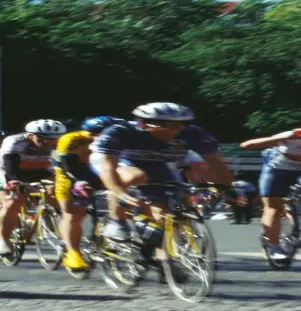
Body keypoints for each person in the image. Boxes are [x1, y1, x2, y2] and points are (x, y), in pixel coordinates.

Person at [90, 102, 233, 243]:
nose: (177, 130)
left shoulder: (194, 133)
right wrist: (119, 193)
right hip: (118, 160)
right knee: (136, 176)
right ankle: (116, 221)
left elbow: (217, 164)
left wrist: (228, 189)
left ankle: (157, 255)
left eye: (182, 124)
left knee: (162, 211)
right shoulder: (119, 132)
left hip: (157, 163)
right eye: (170, 126)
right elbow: (108, 168)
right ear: (144, 123)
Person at [239, 114, 301, 260]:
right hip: (277, 170)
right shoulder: (296, 134)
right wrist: (290, 136)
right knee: (273, 207)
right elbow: (246, 145)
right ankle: (273, 245)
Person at [52, 116, 120, 272]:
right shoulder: (70, 139)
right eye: (94, 134)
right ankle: (73, 253)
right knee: (72, 214)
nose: (99, 137)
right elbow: (67, 165)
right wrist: (79, 182)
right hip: (69, 173)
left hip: (99, 170)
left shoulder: (119, 138)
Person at [0, 120, 66, 256]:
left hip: (39, 169)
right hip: (7, 171)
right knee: (13, 201)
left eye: (52, 139)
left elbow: (61, 167)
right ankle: (4, 240)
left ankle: (58, 233)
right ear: (30, 135)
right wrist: (15, 182)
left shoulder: (60, 144)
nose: (48, 142)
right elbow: (11, 166)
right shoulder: (14, 141)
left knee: (58, 196)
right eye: (42, 138)